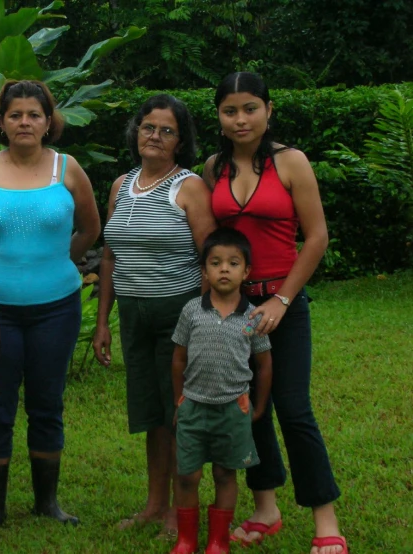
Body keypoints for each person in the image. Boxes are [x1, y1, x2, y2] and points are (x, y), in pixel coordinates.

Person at [204, 72, 347, 554]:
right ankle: (265, 506)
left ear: (268, 110)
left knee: (293, 406)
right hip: (235, 307)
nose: (240, 119)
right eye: (230, 110)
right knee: (249, 408)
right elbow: (214, 244)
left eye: (250, 108)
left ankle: (325, 520)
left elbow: (318, 236)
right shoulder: (213, 168)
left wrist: (282, 300)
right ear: (219, 117)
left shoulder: (291, 162)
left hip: (284, 304)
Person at [0, 80, 101, 535]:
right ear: (1, 121)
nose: (24, 122)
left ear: (48, 121)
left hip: (56, 307)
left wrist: (58, 262)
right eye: (15, 114)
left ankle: (47, 501)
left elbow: (90, 228)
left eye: (33, 115)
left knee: (46, 403)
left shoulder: (68, 168)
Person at [92, 94, 216, 535]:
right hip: (133, 316)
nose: (155, 136)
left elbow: (211, 259)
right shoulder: (120, 184)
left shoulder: (189, 187)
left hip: (178, 315)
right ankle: (152, 505)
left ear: (180, 142)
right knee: (151, 414)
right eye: (148, 127)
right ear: (136, 131)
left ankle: (179, 515)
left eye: (167, 131)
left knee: (179, 412)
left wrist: (202, 320)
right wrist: (103, 321)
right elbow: (108, 257)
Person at [169, 227, 272, 554]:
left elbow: (264, 365)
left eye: (233, 263)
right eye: (215, 263)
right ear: (204, 270)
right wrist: (179, 398)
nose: (224, 269)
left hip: (233, 409)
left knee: (226, 474)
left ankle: (217, 540)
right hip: (194, 408)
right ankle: (186, 540)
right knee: (187, 475)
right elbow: (178, 359)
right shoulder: (191, 311)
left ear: (247, 271)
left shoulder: (252, 317)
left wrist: (258, 406)